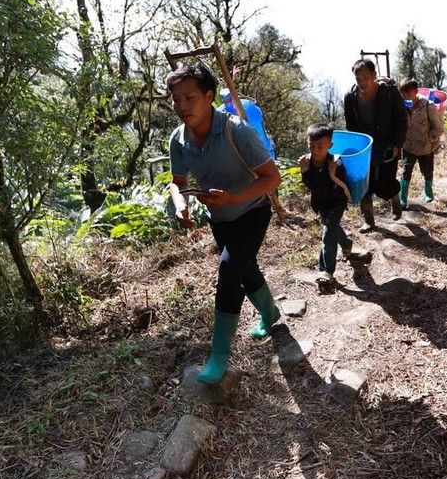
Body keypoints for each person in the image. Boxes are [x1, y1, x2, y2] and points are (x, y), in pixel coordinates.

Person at [166, 64, 283, 385]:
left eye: (190, 97)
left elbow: (272, 178)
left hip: (252, 211)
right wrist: (182, 204)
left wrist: (233, 198)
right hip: (219, 219)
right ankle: (270, 314)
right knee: (244, 270)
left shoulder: (238, 131)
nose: (182, 106)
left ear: (209, 96)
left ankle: (219, 356)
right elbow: (178, 181)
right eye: (176, 99)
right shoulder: (178, 140)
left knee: (229, 271)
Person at [343, 59, 408, 231]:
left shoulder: (389, 93)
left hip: (387, 144)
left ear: (374, 75)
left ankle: (395, 198)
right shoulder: (350, 97)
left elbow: (401, 119)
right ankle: (369, 220)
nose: (362, 82)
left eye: (366, 77)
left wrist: (397, 144)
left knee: (386, 182)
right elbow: (351, 126)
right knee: (364, 184)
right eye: (359, 79)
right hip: (364, 148)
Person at [298, 123, 360, 286]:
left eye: (320, 146)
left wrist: (333, 175)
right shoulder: (307, 161)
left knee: (328, 232)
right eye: (312, 145)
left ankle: (326, 271)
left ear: (330, 145)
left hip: (337, 201)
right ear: (307, 142)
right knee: (331, 227)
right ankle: (347, 244)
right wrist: (304, 172)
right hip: (320, 203)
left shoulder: (335, 163)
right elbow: (311, 185)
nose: (315, 149)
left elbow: (341, 184)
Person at [398, 78, 445, 206]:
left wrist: (431, 139)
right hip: (408, 146)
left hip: (426, 148)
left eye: (408, 94)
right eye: (403, 94)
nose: (405, 97)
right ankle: (403, 198)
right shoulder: (401, 107)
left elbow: (439, 127)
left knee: (427, 171)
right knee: (406, 171)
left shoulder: (428, 106)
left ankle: (428, 192)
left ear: (416, 92)